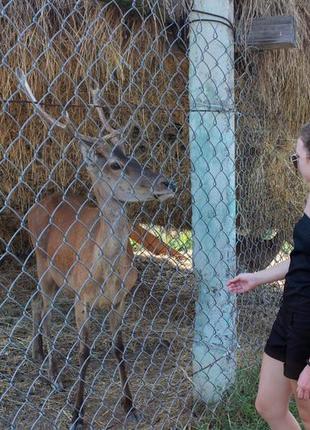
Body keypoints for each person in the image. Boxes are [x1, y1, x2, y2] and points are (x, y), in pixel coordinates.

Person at [227, 123, 310, 430]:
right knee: (269, 404)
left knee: (307, 411)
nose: (294, 164)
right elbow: (302, 258)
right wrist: (258, 277)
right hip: (291, 311)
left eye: (295, 157)